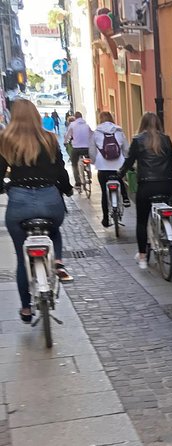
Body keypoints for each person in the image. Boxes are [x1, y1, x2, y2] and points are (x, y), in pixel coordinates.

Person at [0, 100, 74, 324]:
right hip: (49, 199)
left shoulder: (5, 140)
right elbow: (60, 170)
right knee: (54, 229)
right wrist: (67, 189)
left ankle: (25, 308)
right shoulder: (49, 138)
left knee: (22, 260)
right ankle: (58, 261)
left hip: (19, 203)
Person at [118, 112, 172, 269]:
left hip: (146, 186)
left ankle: (143, 256)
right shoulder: (166, 140)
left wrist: (120, 174)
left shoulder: (138, 140)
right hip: (165, 185)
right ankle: (165, 233)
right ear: (158, 124)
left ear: (142, 124)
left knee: (142, 220)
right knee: (164, 207)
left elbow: (129, 162)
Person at [89, 111, 130, 227]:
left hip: (102, 166)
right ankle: (125, 197)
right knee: (119, 177)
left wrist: (94, 161)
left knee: (103, 192)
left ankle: (106, 219)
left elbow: (91, 151)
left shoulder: (96, 133)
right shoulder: (119, 131)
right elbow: (126, 149)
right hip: (119, 165)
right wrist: (126, 160)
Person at [65, 112, 93, 192]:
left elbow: (67, 135)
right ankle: (89, 172)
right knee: (88, 159)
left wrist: (65, 142)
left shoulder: (72, 125)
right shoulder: (86, 126)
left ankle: (78, 183)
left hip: (76, 149)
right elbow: (92, 135)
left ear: (75, 117)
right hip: (86, 148)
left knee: (74, 165)